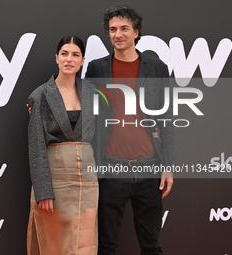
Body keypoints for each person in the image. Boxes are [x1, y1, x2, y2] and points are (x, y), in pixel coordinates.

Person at [85, 4, 175, 255]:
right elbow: (83, 111)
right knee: (106, 246)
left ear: (136, 32)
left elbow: (166, 118)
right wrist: (42, 108)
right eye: (113, 29)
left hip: (150, 169)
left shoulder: (157, 68)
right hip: (110, 169)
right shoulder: (95, 68)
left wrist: (168, 165)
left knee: (151, 247)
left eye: (124, 28)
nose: (118, 34)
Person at [27, 35, 98, 255]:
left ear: (83, 60)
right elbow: (36, 145)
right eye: (64, 54)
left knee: (85, 242)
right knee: (55, 243)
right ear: (56, 58)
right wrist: (43, 190)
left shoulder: (93, 93)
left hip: (87, 179)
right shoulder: (40, 95)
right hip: (55, 177)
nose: (69, 59)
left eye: (75, 54)